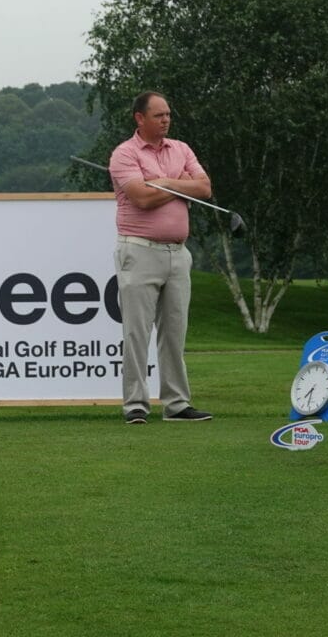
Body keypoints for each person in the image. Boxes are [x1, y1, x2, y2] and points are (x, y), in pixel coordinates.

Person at [108, 91, 213, 425]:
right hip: (139, 250)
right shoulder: (125, 153)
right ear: (140, 118)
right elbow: (141, 197)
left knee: (174, 332)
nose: (166, 120)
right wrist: (180, 184)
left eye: (168, 114)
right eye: (158, 115)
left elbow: (205, 188)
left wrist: (163, 182)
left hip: (178, 254)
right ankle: (136, 404)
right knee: (136, 332)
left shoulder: (181, 149)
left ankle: (177, 404)